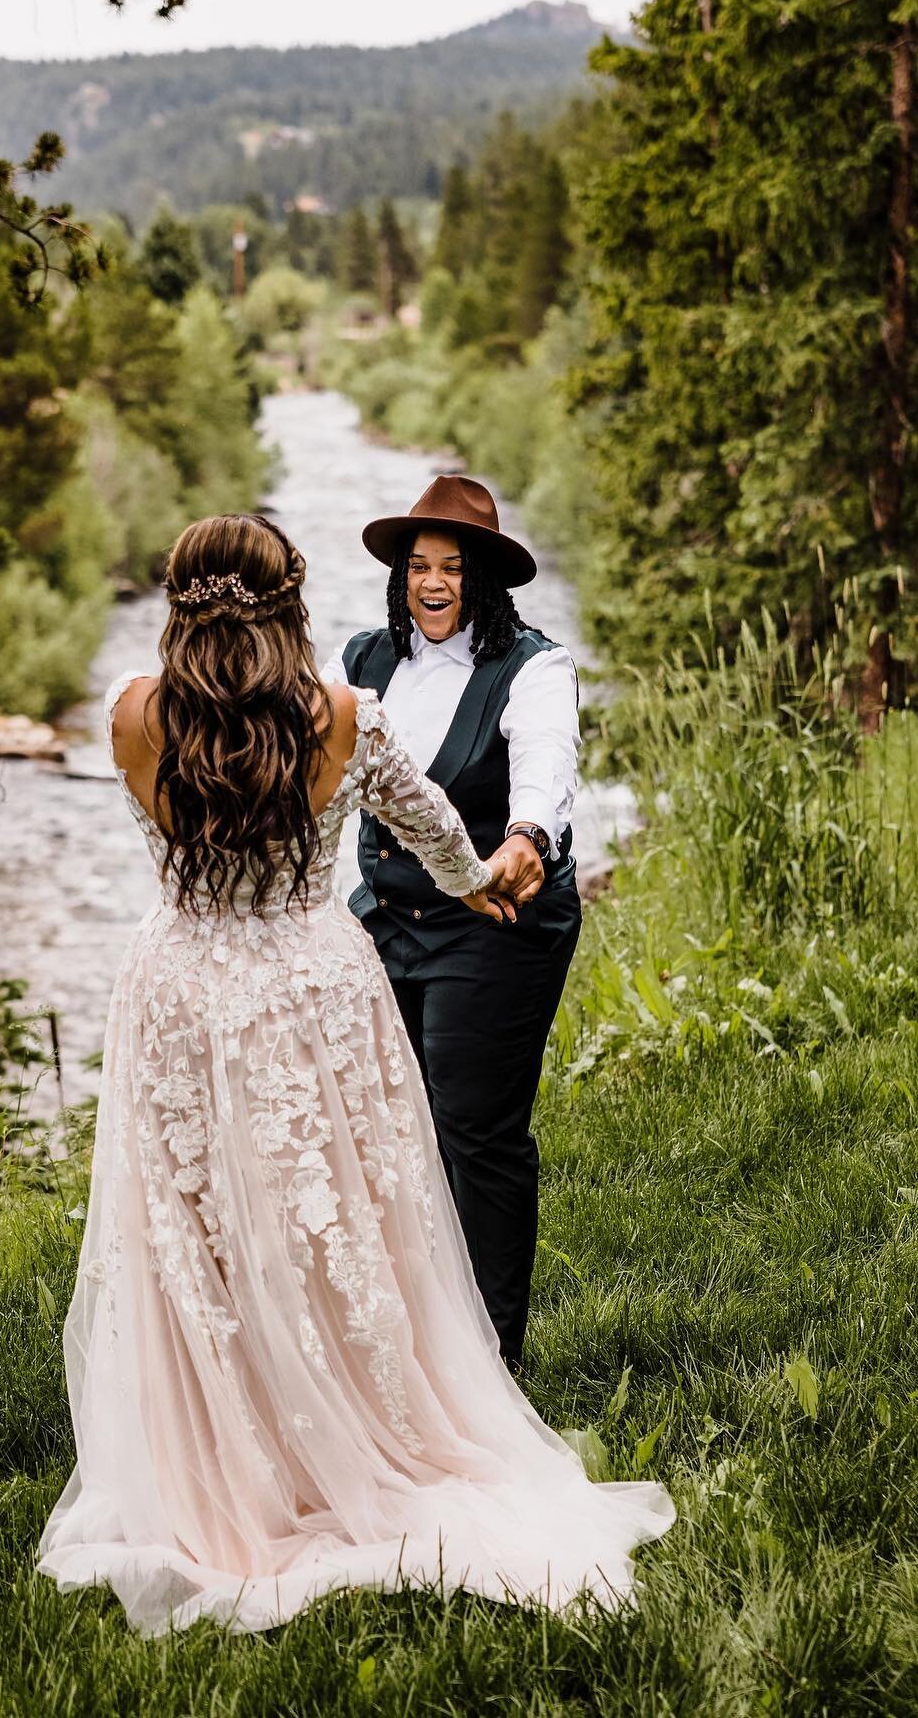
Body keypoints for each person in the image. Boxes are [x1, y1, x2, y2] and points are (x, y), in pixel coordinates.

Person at [37, 512, 672, 1635]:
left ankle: (228, 1463)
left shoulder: (133, 714)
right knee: (337, 1223)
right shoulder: (343, 717)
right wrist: (481, 881)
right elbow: (432, 832)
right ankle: (344, 1433)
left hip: (180, 986)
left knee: (198, 1230)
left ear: (176, 605)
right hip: (309, 988)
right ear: (293, 601)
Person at [324, 474, 582, 1374]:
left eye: (453, 569)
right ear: (399, 579)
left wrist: (528, 834)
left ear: (487, 583)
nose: (434, 584)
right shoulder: (360, 662)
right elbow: (297, 760)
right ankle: (411, 1334)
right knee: (388, 1126)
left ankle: (495, 1356)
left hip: (497, 921)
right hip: (386, 919)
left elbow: (545, 766)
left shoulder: (536, 668)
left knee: (475, 1127)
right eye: (418, 567)